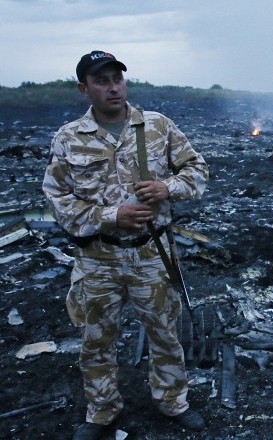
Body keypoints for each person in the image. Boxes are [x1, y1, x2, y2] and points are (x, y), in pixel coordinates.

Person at [42, 50, 210, 440]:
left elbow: (197, 171)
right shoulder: (68, 138)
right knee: (96, 339)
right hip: (97, 258)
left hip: (152, 253)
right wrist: (109, 216)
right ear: (85, 89)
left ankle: (172, 401)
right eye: (101, 80)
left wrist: (167, 186)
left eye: (117, 77)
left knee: (165, 333)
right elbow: (58, 199)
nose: (113, 86)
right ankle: (102, 410)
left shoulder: (157, 127)